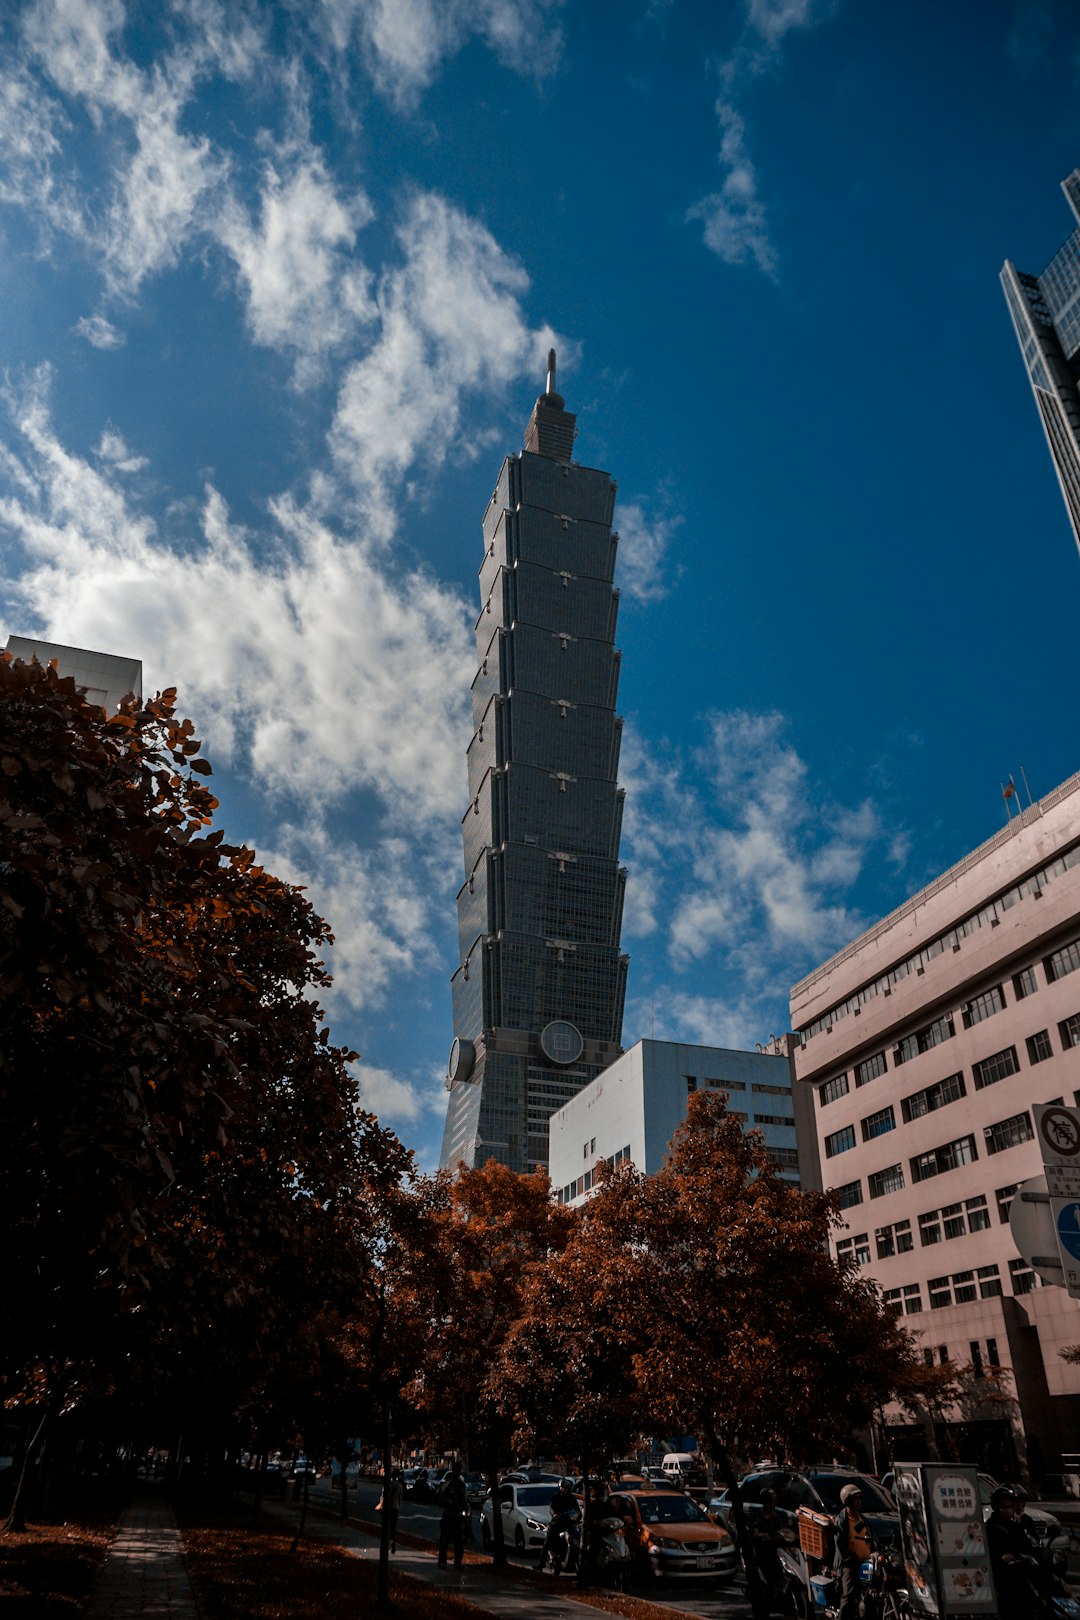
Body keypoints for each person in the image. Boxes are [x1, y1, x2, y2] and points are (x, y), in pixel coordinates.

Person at [985, 1487, 1038, 1620]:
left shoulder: (1018, 1526)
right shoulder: (989, 1528)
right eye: (1003, 1507)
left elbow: (1029, 1547)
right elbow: (988, 1555)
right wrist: (1002, 1558)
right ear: (995, 1507)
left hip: (1024, 1575)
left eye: (1010, 1507)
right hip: (1004, 1581)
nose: (1008, 1510)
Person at [833, 1483, 873, 1620]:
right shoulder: (842, 1520)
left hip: (865, 1562)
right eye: (856, 1499)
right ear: (848, 1501)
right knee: (848, 1595)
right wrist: (850, 1558)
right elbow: (840, 1542)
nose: (859, 1501)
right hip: (849, 1565)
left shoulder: (861, 1517)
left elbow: (869, 1536)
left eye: (859, 1498)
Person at [540, 1478, 579, 1572]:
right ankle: (540, 1564)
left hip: (569, 1523)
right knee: (548, 1541)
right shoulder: (556, 1497)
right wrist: (555, 1515)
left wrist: (578, 1515)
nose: (563, 1489)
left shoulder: (572, 1498)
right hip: (557, 1523)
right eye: (561, 1487)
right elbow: (551, 1508)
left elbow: (577, 1510)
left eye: (565, 1488)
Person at [438, 1460, 470, 1569]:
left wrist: (466, 1515)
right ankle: (442, 1561)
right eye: (456, 1470)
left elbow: (465, 1501)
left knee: (459, 1541)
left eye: (459, 1470)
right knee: (445, 1540)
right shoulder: (448, 1484)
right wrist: (448, 1502)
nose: (457, 1472)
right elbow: (440, 1497)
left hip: (458, 1516)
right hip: (448, 1515)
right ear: (453, 1471)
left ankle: (458, 1562)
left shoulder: (462, 1485)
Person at [386, 1467, 403, 1554]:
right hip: (395, 1508)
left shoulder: (388, 1484)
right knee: (393, 1527)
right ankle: (393, 1541)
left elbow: (384, 1496)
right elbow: (400, 1499)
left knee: (387, 1526)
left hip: (388, 1507)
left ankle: (388, 1541)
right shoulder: (399, 1486)